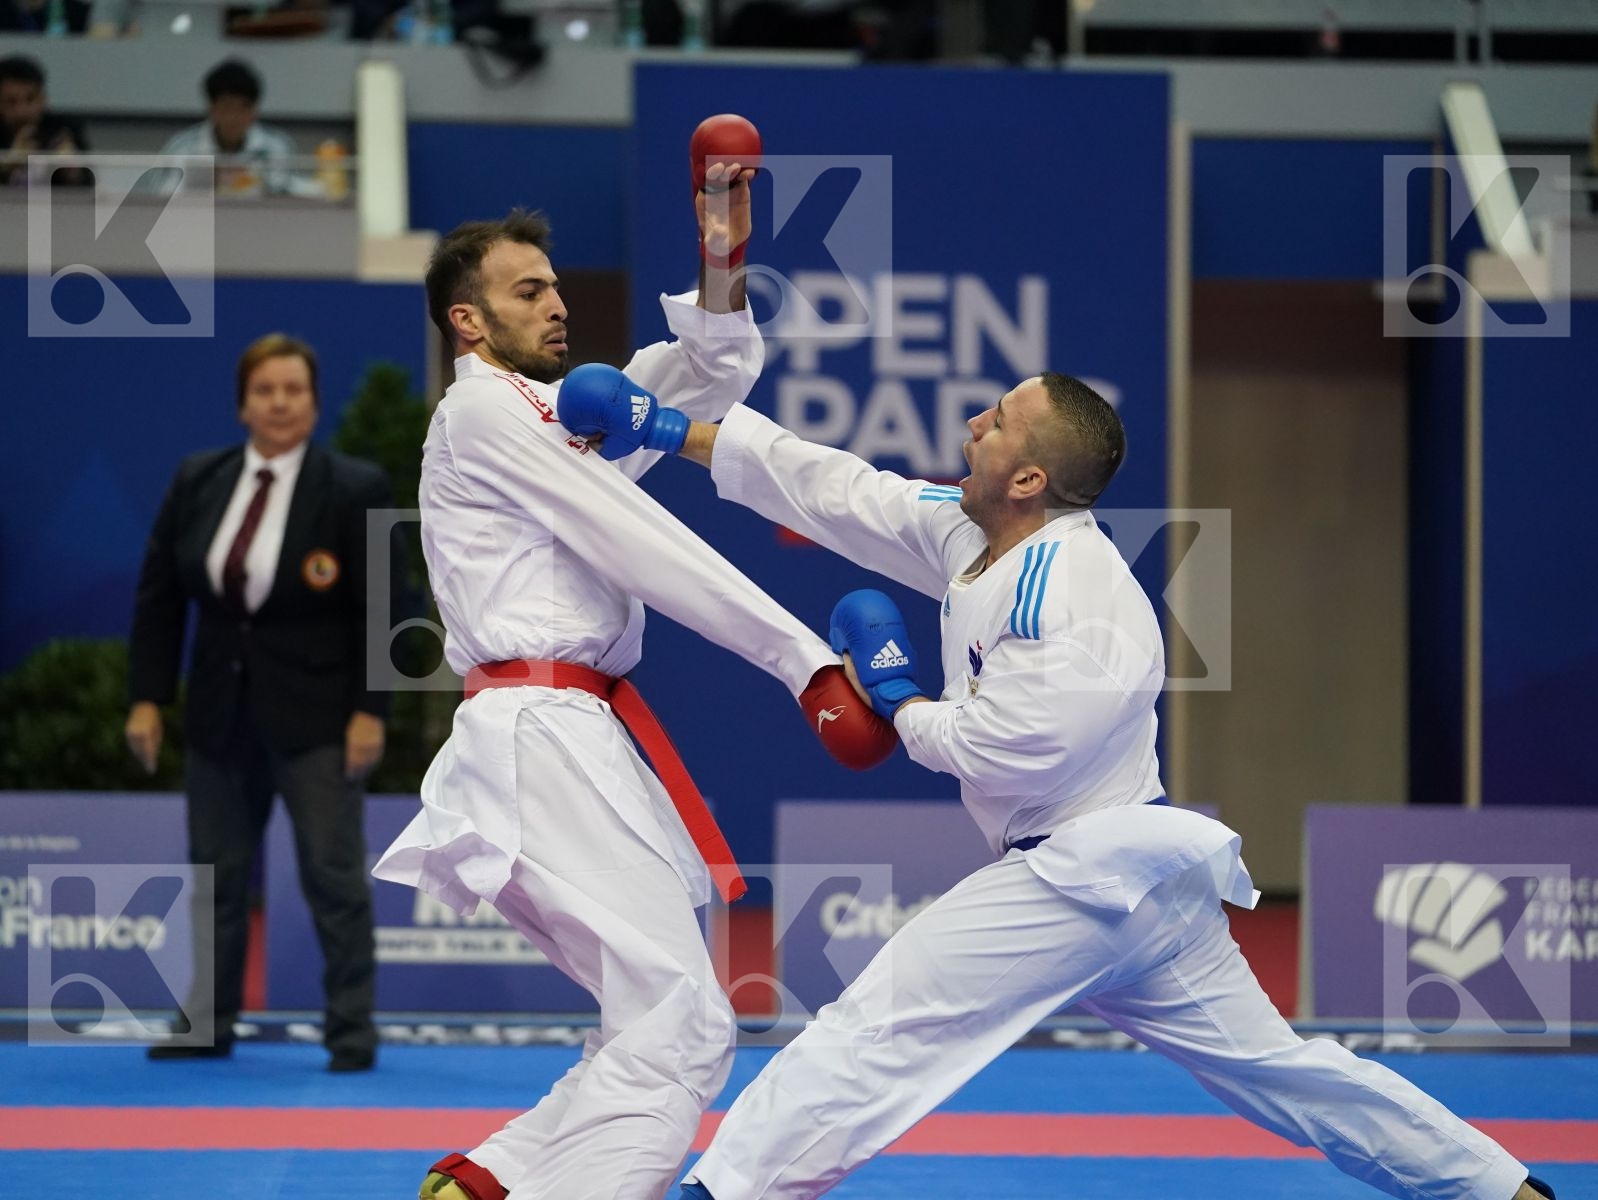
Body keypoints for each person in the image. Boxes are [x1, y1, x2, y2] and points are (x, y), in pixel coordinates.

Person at [567, 372, 1558, 1200]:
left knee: (879, 1026)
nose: (971, 424)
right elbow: (837, 490)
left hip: (1080, 872)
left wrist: (899, 701)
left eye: (996, 420)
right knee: (1284, 1073)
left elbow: (1013, 748)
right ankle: (1500, 1188)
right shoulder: (973, 536)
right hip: (1141, 892)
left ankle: (716, 1192)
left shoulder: (1078, 593)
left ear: (1029, 477)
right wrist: (672, 429)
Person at [372, 186, 887, 1199]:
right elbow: (639, 540)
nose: (558, 304)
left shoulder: (557, 412)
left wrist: (721, 264)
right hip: (539, 730)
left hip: (573, 729)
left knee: (655, 1018)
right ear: (468, 320)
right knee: (682, 1022)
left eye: (556, 286)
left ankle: (490, 1181)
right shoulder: (482, 409)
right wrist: (803, 662)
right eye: (528, 292)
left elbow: (708, 376)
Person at [128, 333, 399, 1073]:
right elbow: (159, 597)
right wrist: (147, 698)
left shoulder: (354, 486)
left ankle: (351, 1029)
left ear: (314, 403)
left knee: (332, 877)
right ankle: (207, 1022)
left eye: (294, 390)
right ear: (242, 404)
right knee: (214, 876)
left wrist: (370, 711)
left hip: (321, 718)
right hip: (219, 712)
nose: (280, 403)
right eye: (265, 391)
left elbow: (385, 607)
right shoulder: (199, 479)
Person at [155, 59, 310, 198]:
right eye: (227, 107)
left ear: (255, 110)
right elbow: (160, 196)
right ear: (212, 108)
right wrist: (208, 179)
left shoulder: (275, 146)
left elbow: (290, 195)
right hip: (199, 218)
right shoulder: (184, 147)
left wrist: (256, 180)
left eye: (243, 108)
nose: (234, 117)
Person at [0, 55, 88, 187]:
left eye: (30, 99)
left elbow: (88, 186)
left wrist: (71, 171)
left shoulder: (64, 129)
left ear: (43, 99)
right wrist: (9, 163)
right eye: (11, 102)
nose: (22, 111)